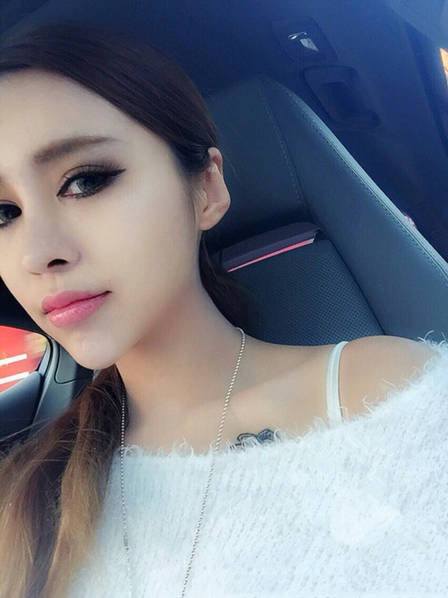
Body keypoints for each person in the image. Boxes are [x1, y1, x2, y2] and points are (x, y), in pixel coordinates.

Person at [0, 20, 447, 598]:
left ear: (206, 189)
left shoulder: (384, 393)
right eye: (3, 213)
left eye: (84, 181)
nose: (37, 253)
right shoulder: (28, 501)